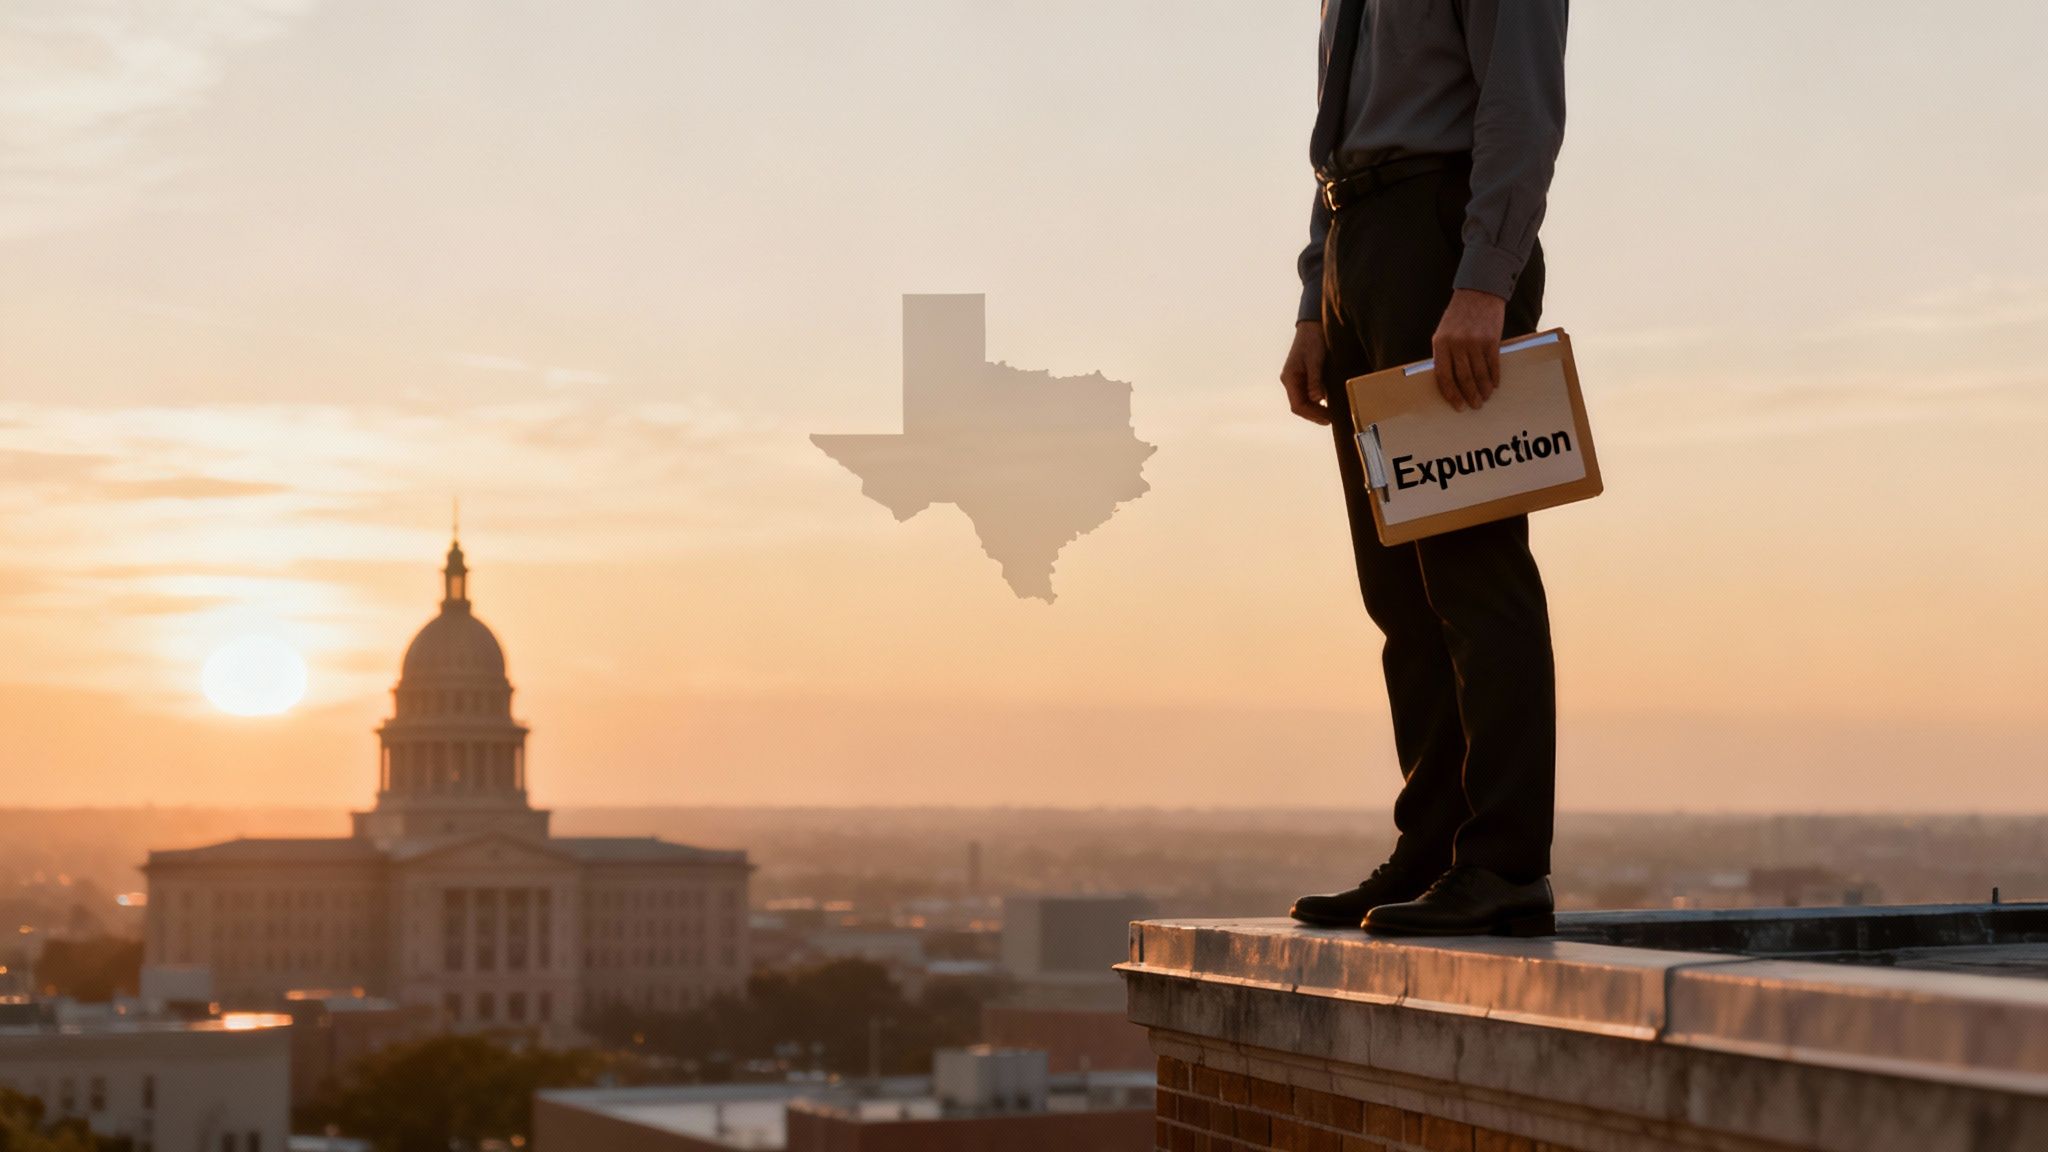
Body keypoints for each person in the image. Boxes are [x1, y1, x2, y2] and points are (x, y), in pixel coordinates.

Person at [1281, 1, 1569, 936]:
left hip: (1440, 244)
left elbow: (1520, 108)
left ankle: (1504, 864)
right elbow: (1339, 136)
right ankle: (1433, 851)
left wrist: (1483, 280)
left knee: (1472, 572)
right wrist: (1313, 303)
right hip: (1359, 245)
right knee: (1398, 590)